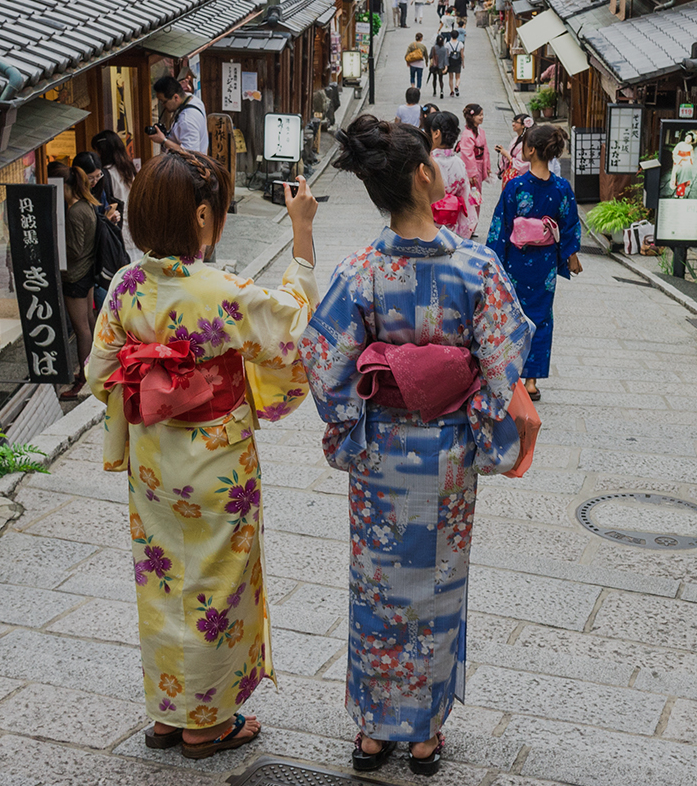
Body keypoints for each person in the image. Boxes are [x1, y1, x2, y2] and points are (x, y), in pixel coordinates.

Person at [298, 114, 532, 778]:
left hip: (380, 458)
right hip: (450, 455)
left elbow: (324, 359)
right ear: (425, 175)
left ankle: (375, 730)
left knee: (377, 587)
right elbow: (504, 361)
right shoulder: (476, 268)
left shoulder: (360, 272)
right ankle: (424, 732)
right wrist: (476, 417)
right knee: (435, 585)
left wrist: (351, 422)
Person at [86, 152, 318, 761]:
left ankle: (169, 712)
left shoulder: (125, 288)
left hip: (154, 461)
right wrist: (302, 231)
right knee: (219, 578)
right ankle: (207, 723)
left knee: (161, 579)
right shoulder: (223, 290)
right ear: (200, 216)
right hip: (219, 462)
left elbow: (98, 372)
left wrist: (154, 382)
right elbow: (293, 326)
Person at [486, 125, 581, 401]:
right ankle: (531, 382)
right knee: (541, 318)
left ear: (529, 150)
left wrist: (493, 262)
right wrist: (570, 254)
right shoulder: (562, 188)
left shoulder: (516, 185)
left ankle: (511, 375)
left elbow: (500, 227)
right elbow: (570, 225)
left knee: (512, 316)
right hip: (545, 265)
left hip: (515, 262)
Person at [50, 159, 104, 396]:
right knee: (90, 321)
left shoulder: (73, 212)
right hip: (89, 271)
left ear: (65, 187)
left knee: (81, 327)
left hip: (75, 275)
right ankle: (95, 368)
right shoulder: (88, 204)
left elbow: (74, 250)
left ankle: (83, 378)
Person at [76, 150, 127, 312]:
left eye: (98, 176)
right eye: (91, 177)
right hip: (87, 258)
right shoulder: (75, 197)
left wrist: (110, 218)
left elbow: (102, 214)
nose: (95, 181)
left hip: (99, 253)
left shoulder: (100, 189)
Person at [426, 110, 477, 240]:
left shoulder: (427, 164)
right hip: (453, 231)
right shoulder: (459, 163)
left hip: (428, 228)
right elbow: (465, 198)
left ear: (436, 134)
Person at [94, 130, 142, 260]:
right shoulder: (129, 170)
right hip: (135, 231)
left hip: (119, 234)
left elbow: (108, 206)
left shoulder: (106, 174)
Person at [149, 76, 206, 160]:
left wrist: (163, 140)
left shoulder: (187, 120)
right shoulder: (193, 99)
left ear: (176, 97)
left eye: (164, 101)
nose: (163, 105)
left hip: (187, 171)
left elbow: (190, 155)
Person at [456, 104, 490, 208]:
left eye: (482, 114)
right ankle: (470, 223)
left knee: (476, 196)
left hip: (479, 165)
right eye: (479, 115)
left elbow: (486, 150)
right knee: (470, 198)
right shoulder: (467, 134)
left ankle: (474, 222)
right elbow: (467, 154)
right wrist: (471, 173)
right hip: (473, 168)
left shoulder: (481, 131)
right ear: (472, 117)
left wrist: (487, 166)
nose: (482, 117)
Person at [445, 31, 464, 98]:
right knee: (458, 77)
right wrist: (463, 62)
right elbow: (462, 54)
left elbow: (447, 54)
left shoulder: (447, 44)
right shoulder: (460, 44)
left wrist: (446, 64)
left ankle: (451, 91)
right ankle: (457, 85)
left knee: (450, 77)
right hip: (458, 61)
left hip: (451, 61)